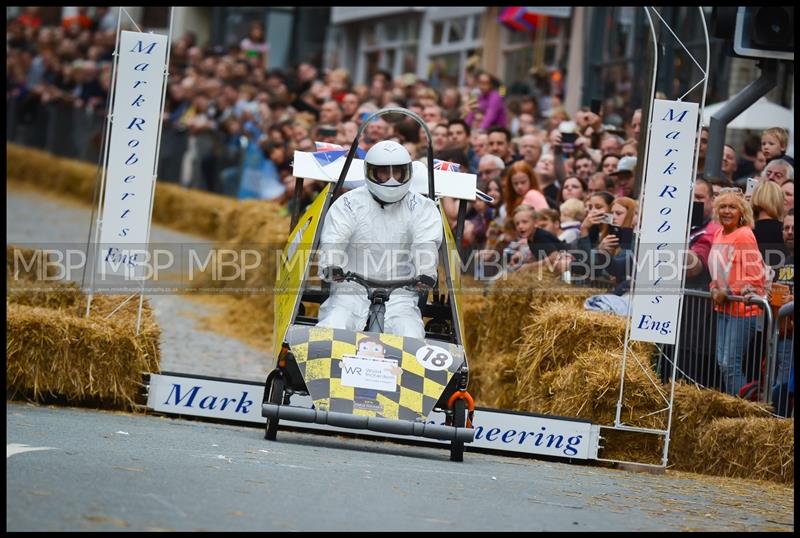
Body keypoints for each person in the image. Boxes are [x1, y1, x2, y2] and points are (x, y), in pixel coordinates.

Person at [316, 140, 441, 340]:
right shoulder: (348, 203)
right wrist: (332, 264)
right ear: (370, 172)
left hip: (401, 294)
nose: (391, 180)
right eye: (383, 173)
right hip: (350, 289)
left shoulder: (422, 207)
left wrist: (426, 272)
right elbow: (335, 238)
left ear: (407, 172)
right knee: (332, 328)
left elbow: (425, 243)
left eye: (397, 172)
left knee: (411, 335)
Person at [708, 188, 767, 397]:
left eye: (732, 207)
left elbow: (756, 276)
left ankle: (745, 407)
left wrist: (728, 290)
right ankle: (738, 404)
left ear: (741, 211)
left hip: (742, 310)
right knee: (722, 362)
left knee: (730, 363)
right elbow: (717, 270)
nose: (726, 211)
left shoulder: (744, 235)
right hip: (724, 307)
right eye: (722, 206)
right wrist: (715, 288)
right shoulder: (718, 233)